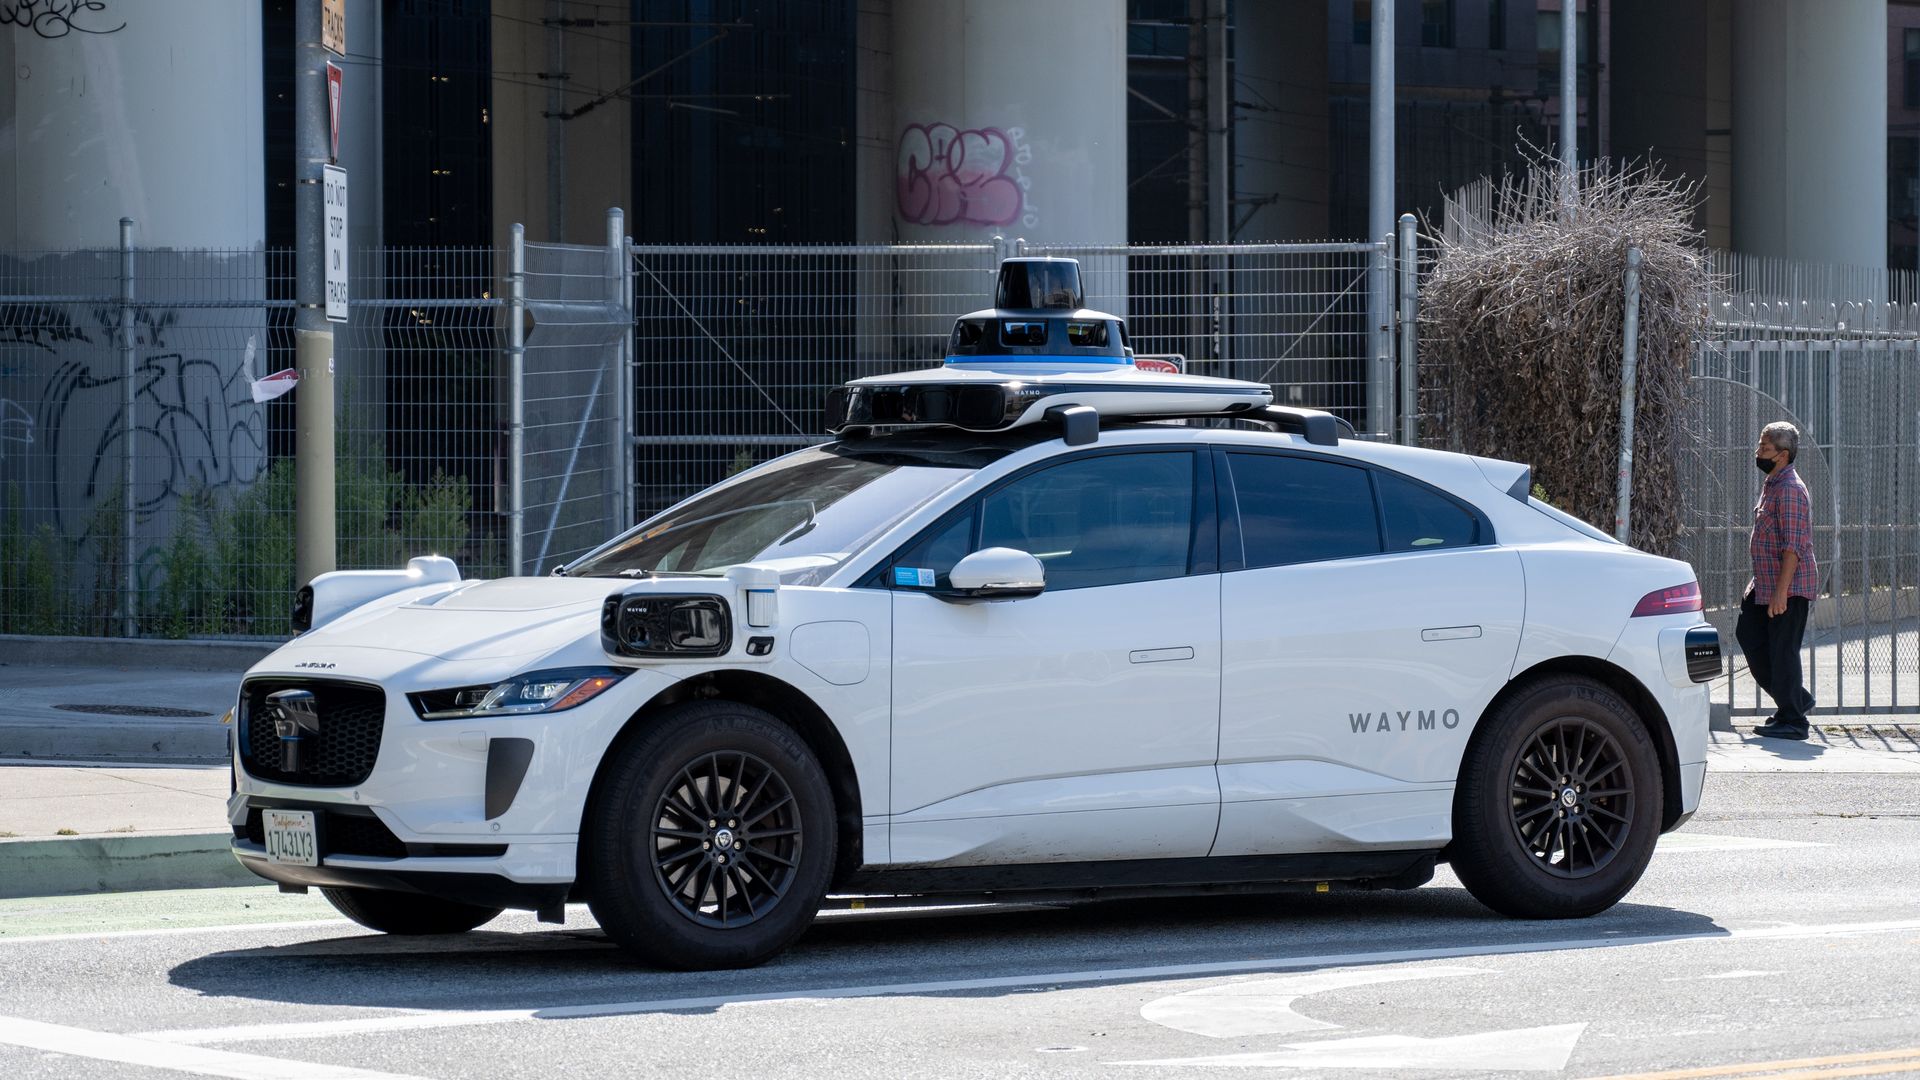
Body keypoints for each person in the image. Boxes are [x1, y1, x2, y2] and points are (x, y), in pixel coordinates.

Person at [1736, 421, 1818, 740]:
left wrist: (1781, 592)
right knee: (1750, 636)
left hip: (1789, 588)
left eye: (1764, 448)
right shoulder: (1773, 483)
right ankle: (1794, 700)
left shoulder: (1790, 489)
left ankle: (1794, 721)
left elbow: (1793, 546)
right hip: (1765, 584)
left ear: (1782, 455)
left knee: (1783, 651)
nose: (1758, 453)